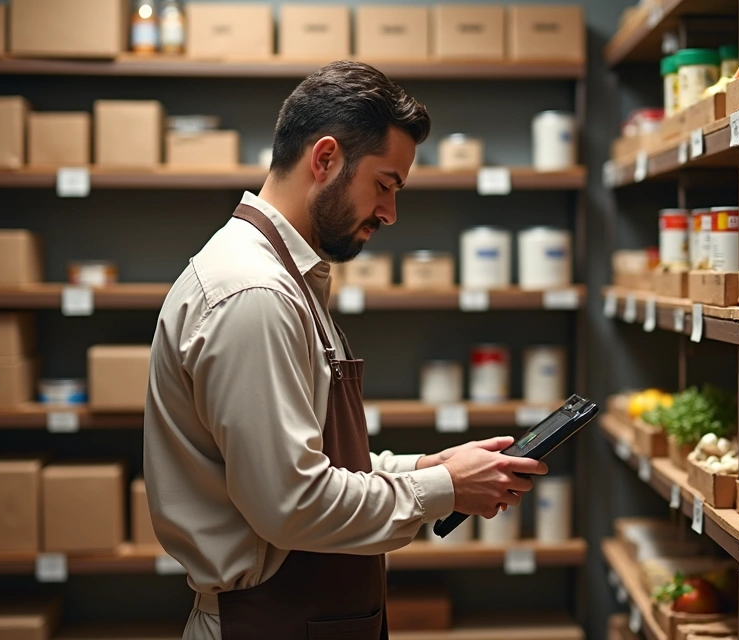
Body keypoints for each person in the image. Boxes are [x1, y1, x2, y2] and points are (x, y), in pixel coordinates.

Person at [143, 61, 548, 640]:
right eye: (384, 185)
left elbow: (306, 465)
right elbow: (292, 504)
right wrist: (446, 490)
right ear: (325, 158)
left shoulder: (288, 279)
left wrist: (430, 468)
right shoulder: (254, 295)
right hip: (267, 624)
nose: (389, 213)